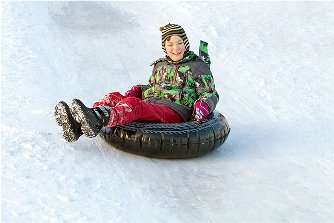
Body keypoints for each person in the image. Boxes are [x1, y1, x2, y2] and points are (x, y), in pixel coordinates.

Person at [55, 23, 219, 142]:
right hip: (154, 104)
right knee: (114, 96)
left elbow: (210, 93)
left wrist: (204, 105)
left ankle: (99, 118)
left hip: (175, 110)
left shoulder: (198, 67)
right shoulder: (160, 65)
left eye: (180, 43)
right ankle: (79, 124)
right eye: (170, 44)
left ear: (186, 44)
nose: (175, 48)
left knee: (133, 105)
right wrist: (140, 90)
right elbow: (154, 87)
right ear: (164, 47)